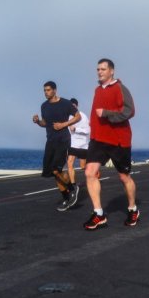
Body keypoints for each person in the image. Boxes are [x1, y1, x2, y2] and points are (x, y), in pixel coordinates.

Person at [83, 59, 138, 230]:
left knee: (124, 177)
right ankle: (99, 214)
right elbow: (94, 114)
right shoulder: (97, 90)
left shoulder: (120, 88)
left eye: (103, 69)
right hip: (98, 139)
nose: (99, 72)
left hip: (118, 140)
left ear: (111, 71)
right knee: (89, 172)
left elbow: (130, 111)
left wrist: (106, 114)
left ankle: (133, 209)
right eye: (98, 69)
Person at [32, 81, 81, 212]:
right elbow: (45, 123)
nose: (46, 92)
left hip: (63, 140)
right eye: (44, 90)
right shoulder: (44, 106)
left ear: (54, 90)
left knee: (56, 169)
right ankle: (66, 198)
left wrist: (63, 125)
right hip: (50, 141)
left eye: (48, 90)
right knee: (52, 172)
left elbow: (78, 117)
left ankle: (72, 187)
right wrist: (38, 122)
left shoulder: (65, 103)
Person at [66, 98, 90, 185]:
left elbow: (88, 130)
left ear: (77, 106)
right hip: (73, 144)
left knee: (83, 166)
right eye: (70, 106)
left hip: (83, 144)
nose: (72, 107)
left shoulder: (83, 116)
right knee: (69, 163)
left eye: (74, 106)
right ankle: (73, 185)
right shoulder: (68, 116)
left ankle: (94, 173)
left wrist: (76, 129)